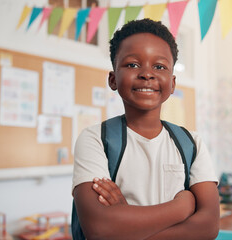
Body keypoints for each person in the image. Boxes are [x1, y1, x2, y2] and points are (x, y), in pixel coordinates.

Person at [72, 18, 219, 240]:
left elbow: (208, 227)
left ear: (172, 83)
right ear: (113, 79)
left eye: (159, 67)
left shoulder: (191, 143)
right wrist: (181, 207)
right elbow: (100, 229)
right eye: (132, 64)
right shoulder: (96, 139)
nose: (147, 74)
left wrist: (124, 221)